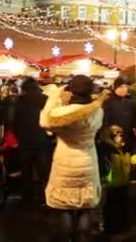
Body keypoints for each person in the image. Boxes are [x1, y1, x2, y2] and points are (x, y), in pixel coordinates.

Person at [39, 75, 107, 242]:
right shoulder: (97, 111)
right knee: (85, 206)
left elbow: (45, 122)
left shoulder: (62, 113)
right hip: (87, 162)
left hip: (65, 162)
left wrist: (55, 98)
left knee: (65, 207)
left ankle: (66, 238)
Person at [12, 77, 52, 205]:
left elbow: (13, 121)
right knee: (44, 172)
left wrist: (19, 134)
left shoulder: (19, 101)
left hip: (25, 141)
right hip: (43, 140)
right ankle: (45, 198)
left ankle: (27, 197)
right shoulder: (45, 99)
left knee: (26, 171)